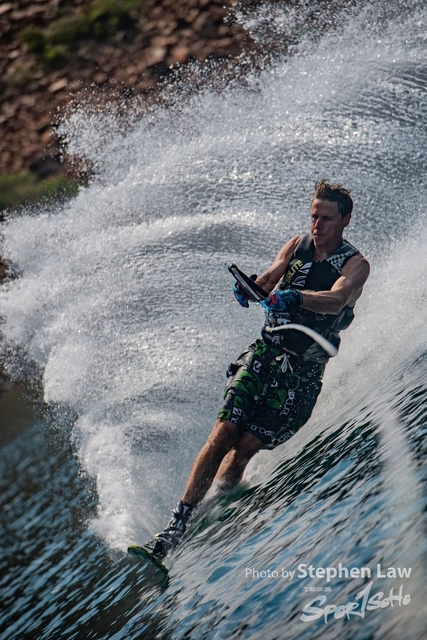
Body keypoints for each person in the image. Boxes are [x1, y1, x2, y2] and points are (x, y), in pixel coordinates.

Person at [145, 178, 370, 560]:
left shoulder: (356, 264)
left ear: (345, 220)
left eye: (327, 219)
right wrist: (251, 289)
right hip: (265, 354)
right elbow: (269, 279)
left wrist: (296, 297)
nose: (317, 226)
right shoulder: (297, 246)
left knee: (244, 448)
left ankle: (214, 506)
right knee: (224, 431)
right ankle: (175, 526)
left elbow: (336, 299)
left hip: (302, 373)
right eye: (314, 217)